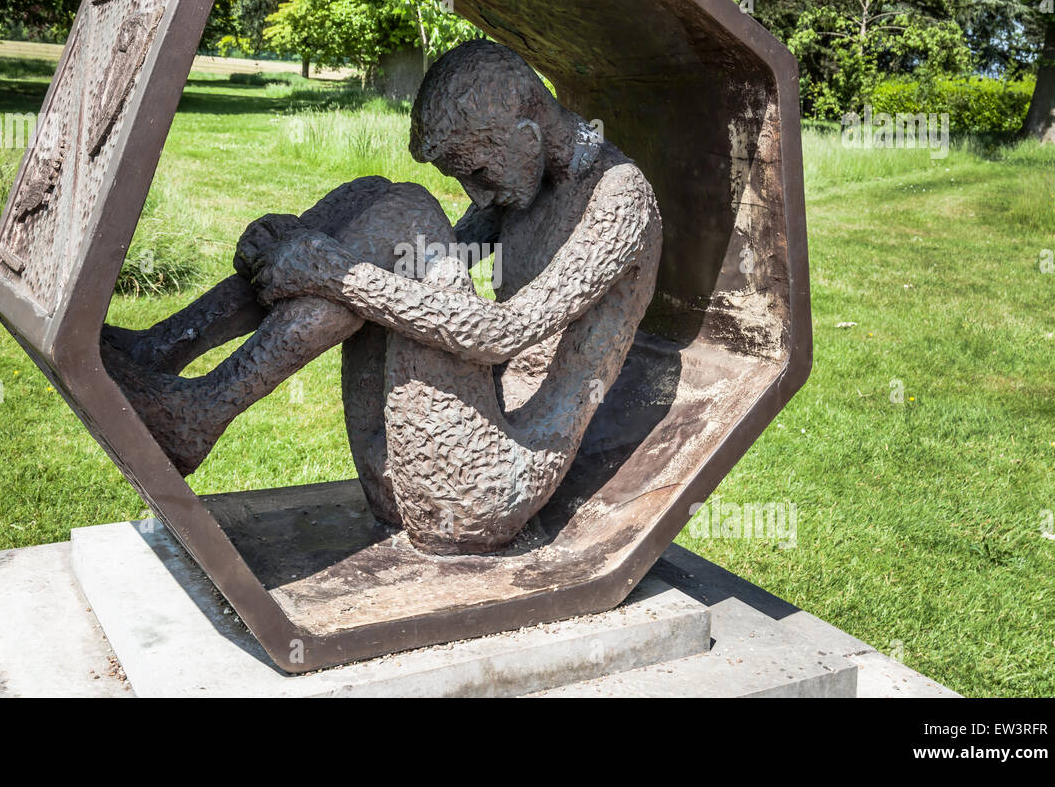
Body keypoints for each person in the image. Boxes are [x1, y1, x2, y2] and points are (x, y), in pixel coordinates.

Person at [102, 40, 661, 553]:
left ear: (527, 137)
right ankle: (165, 348)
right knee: (373, 197)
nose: (475, 193)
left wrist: (329, 270)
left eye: (479, 172)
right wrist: (303, 242)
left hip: (484, 483)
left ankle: (203, 410)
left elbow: (501, 333)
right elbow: (425, 253)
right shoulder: (524, 179)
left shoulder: (619, 200)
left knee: (407, 214)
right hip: (403, 463)